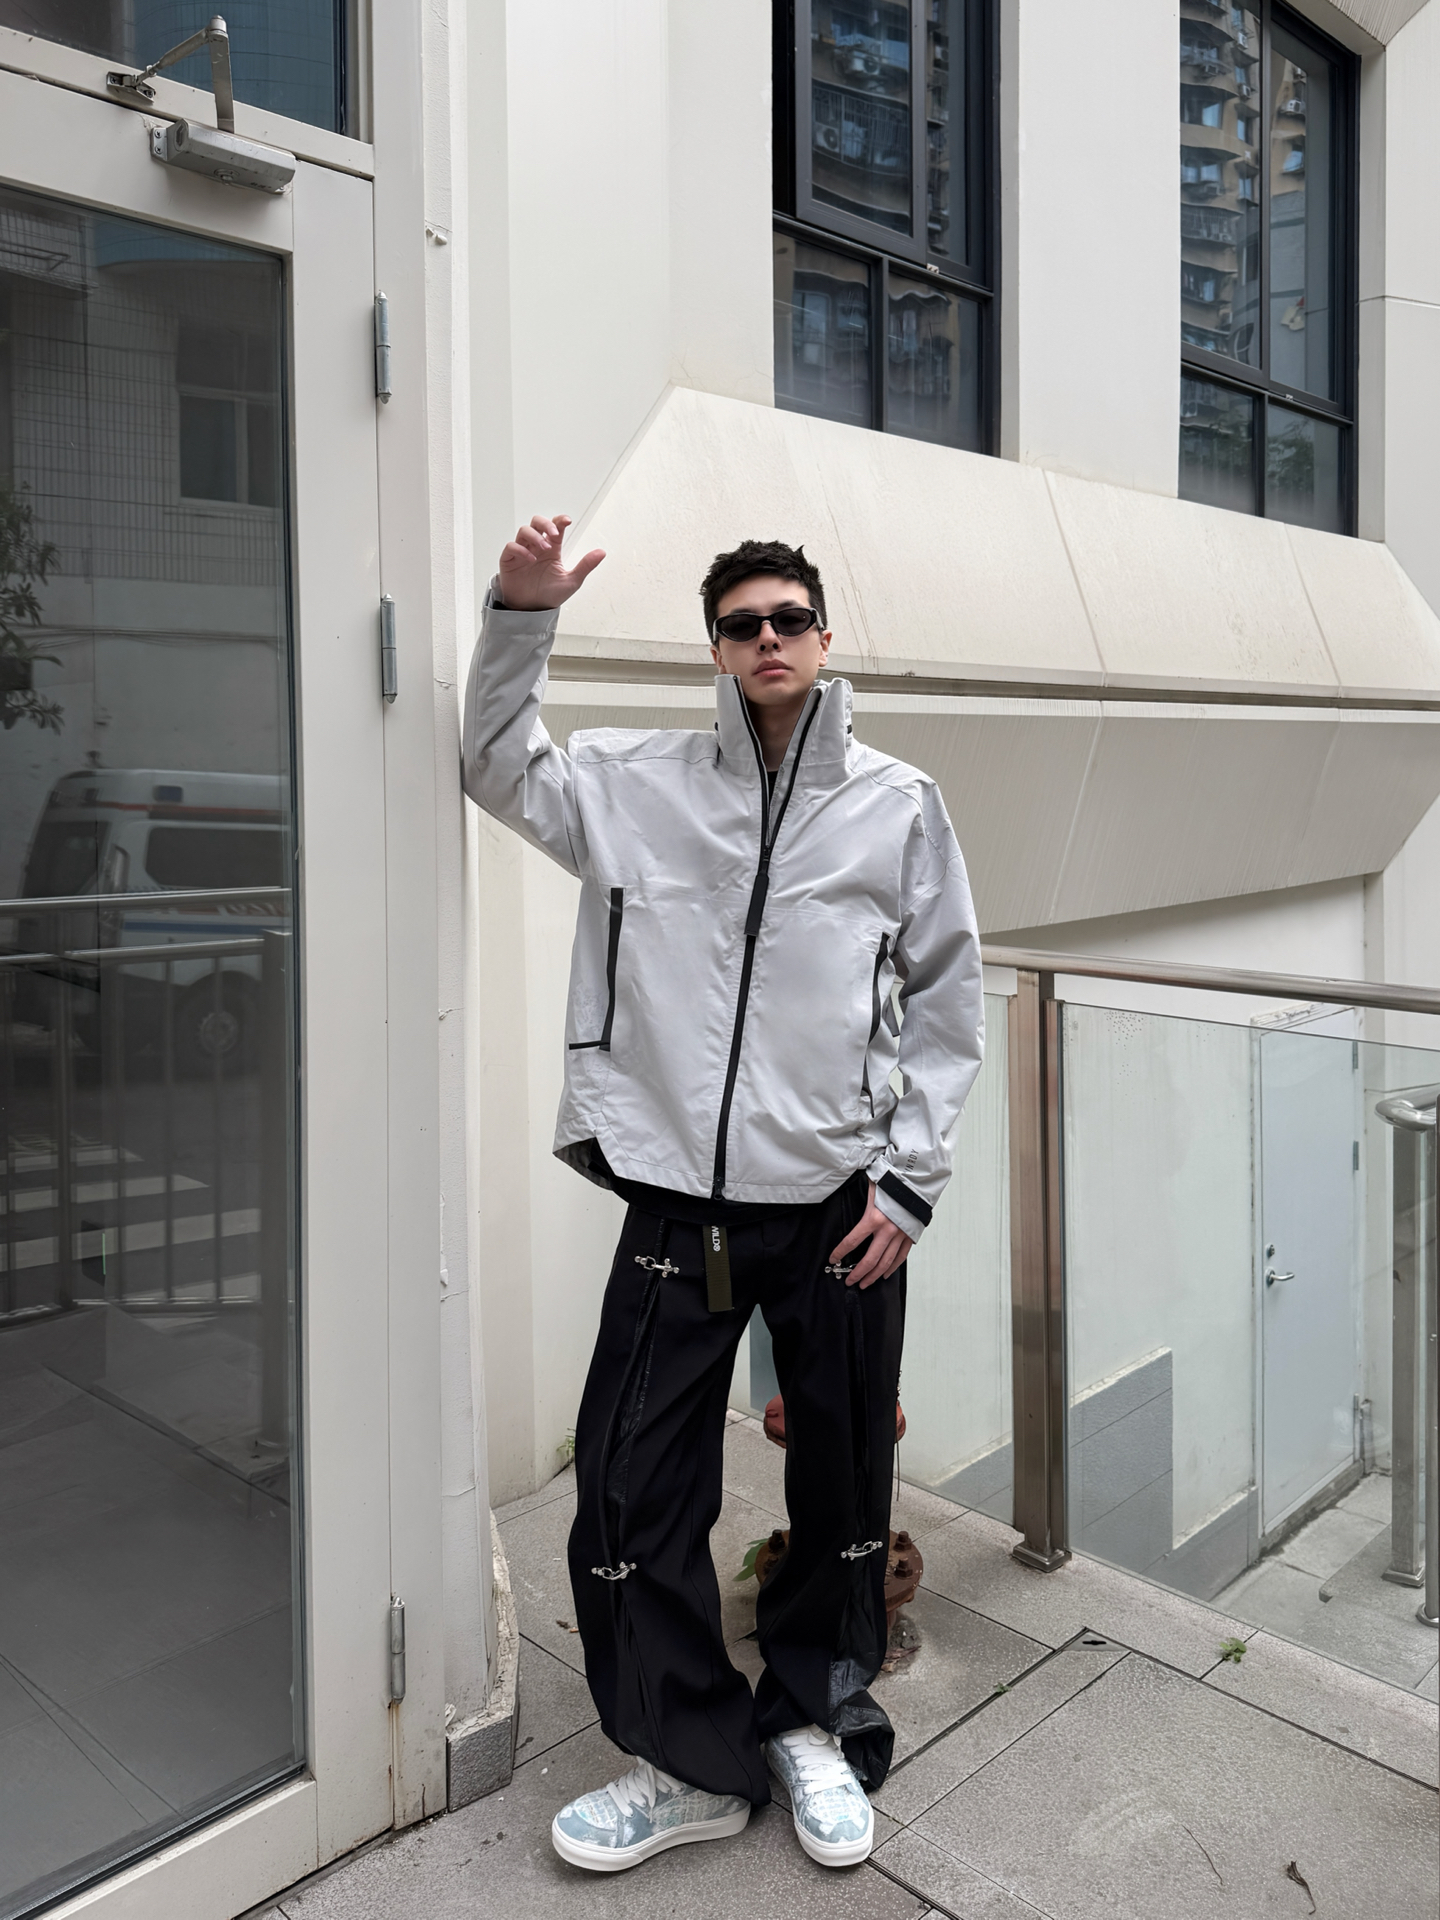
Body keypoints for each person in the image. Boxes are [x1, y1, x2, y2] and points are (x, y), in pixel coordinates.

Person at [462, 516, 983, 1874]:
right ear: (716, 649)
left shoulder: (899, 804)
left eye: (788, 618)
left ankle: (808, 1719)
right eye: (743, 623)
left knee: (844, 1478)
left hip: (840, 1206)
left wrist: (911, 1185)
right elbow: (495, 763)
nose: (767, 639)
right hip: (678, 1204)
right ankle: (689, 1760)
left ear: (823, 638)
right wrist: (521, 614)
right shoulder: (633, 783)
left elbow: (947, 1000)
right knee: (630, 1488)